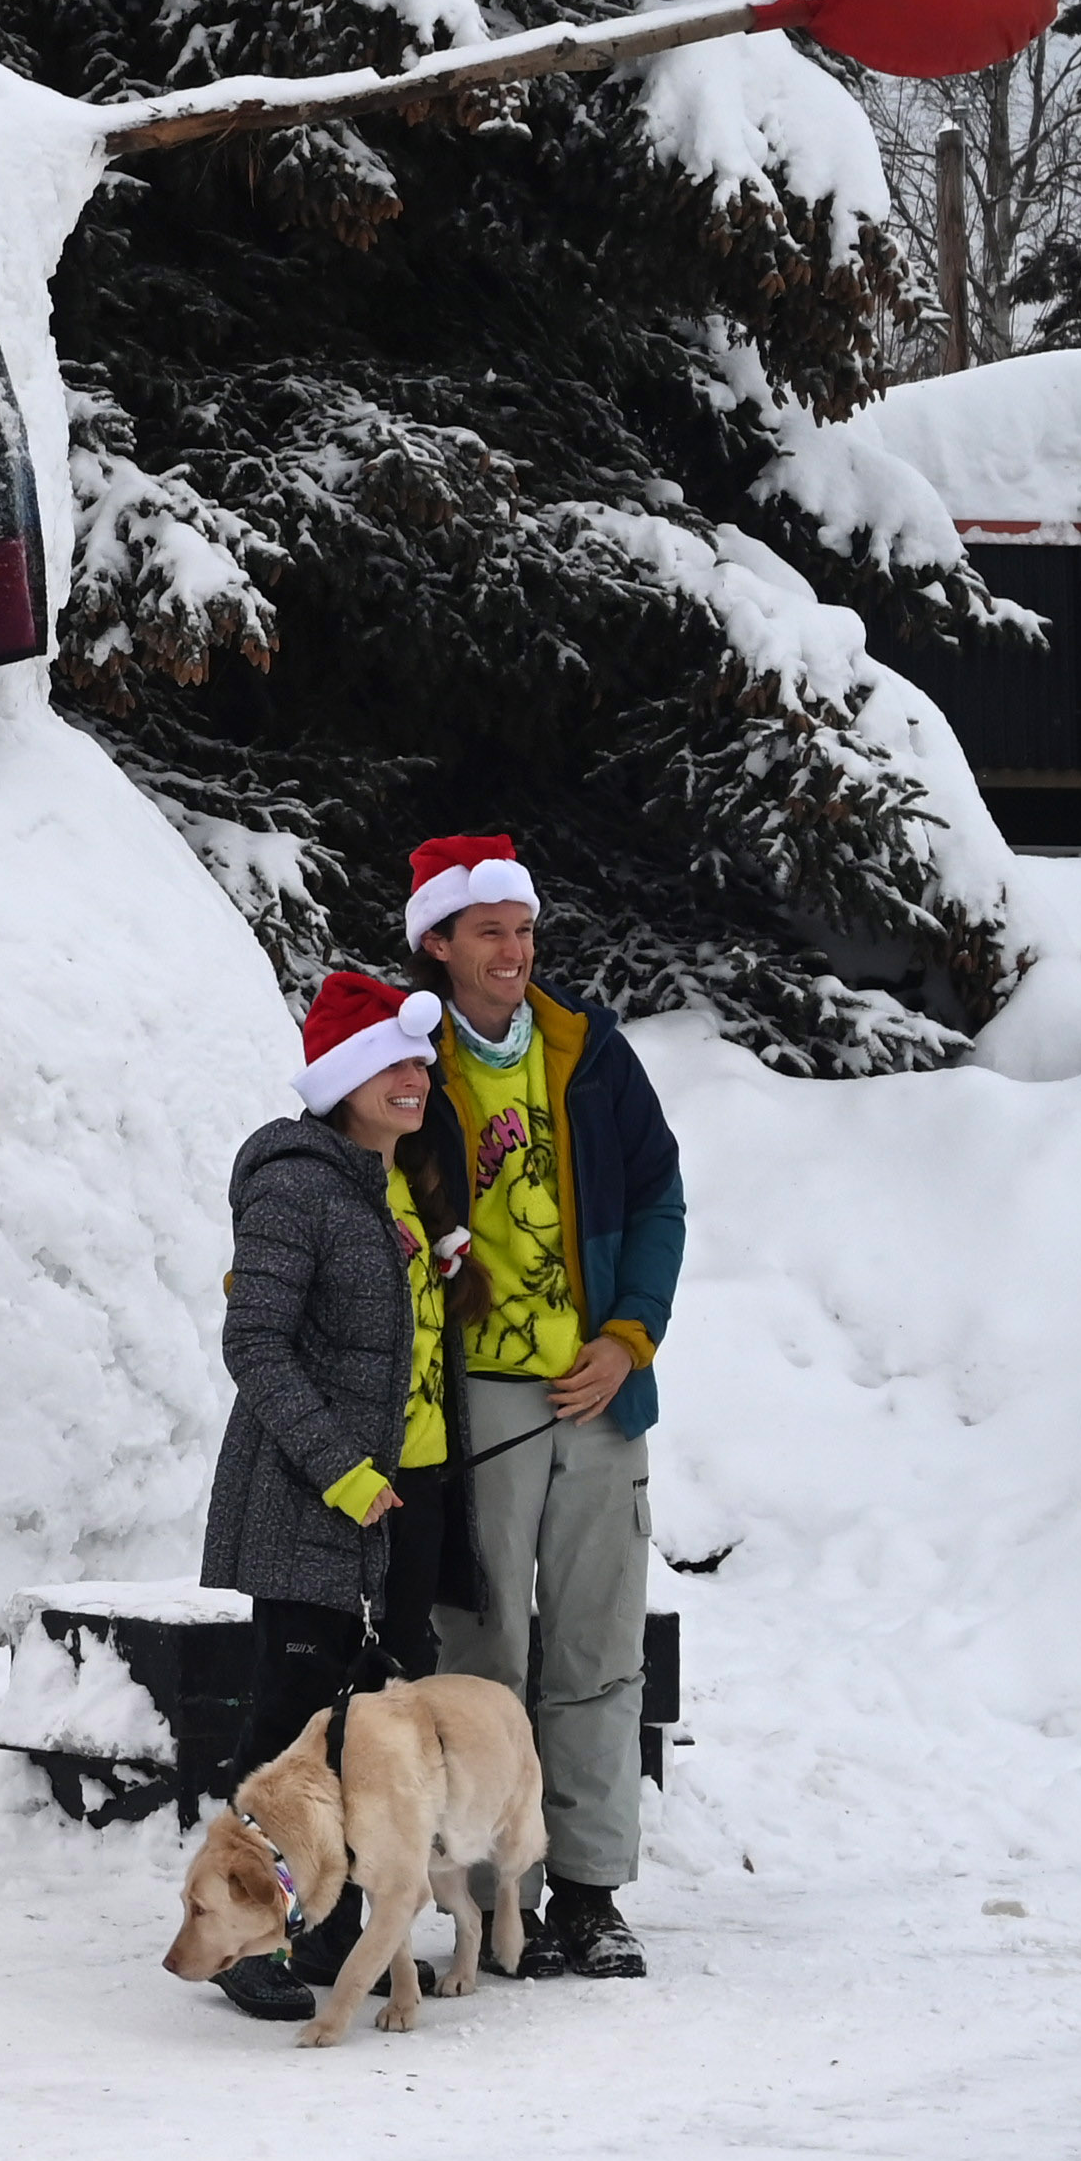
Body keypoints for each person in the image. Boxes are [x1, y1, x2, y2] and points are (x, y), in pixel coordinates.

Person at [402, 832, 688, 1980]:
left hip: (597, 1390)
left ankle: (587, 1891)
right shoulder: (407, 1056)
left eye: (522, 929)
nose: (514, 951)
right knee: (480, 1656)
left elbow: (661, 1197)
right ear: (437, 943)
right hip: (472, 1398)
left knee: (596, 1648)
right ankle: (489, 1899)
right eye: (489, 933)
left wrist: (628, 1338)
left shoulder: (588, 1051)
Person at [193, 969, 470, 2020]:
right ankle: (240, 1938)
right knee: (285, 1736)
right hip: (308, 1504)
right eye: (393, 1064)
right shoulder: (293, 1182)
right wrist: (340, 1470)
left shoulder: (384, 1184)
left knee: (365, 1733)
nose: (415, 1078)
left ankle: (330, 1931)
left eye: (419, 1063)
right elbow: (253, 1344)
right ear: (342, 1079)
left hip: (388, 1509)